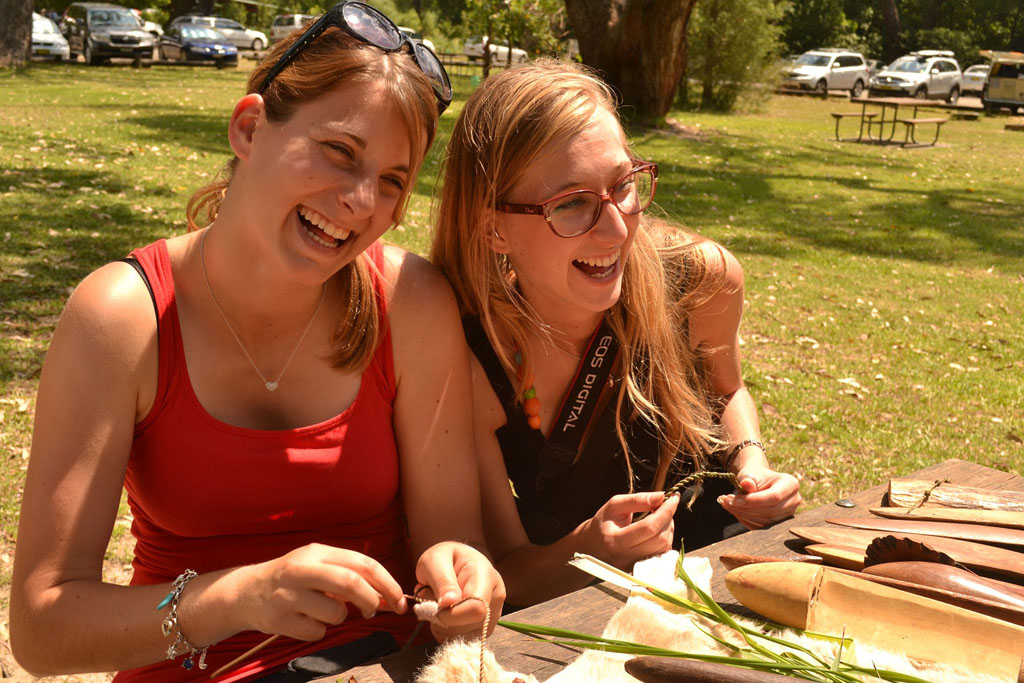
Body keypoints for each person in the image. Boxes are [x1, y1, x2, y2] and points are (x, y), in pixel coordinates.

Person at [11, 4, 504, 681]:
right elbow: (41, 630)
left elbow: (453, 538)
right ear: (249, 128)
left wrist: (462, 575)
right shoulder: (124, 317)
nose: (362, 201)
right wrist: (239, 596)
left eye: (392, 181)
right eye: (340, 152)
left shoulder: (411, 301)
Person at [431, 60, 802, 606]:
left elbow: (726, 390)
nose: (617, 225)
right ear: (493, 228)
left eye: (623, 183)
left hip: (714, 581)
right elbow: (503, 576)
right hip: (563, 623)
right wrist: (587, 549)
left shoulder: (703, 279)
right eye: (572, 203)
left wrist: (753, 465)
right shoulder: (462, 348)